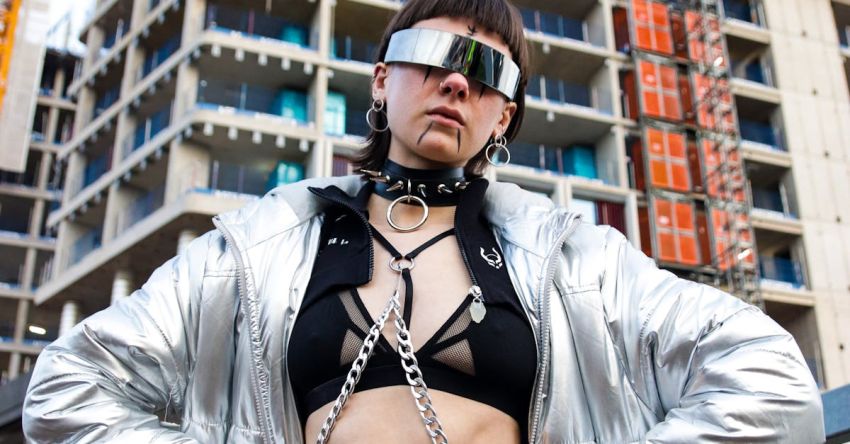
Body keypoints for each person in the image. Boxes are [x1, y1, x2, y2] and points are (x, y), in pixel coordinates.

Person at [23, 0, 824, 442]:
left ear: (504, 116)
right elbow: (69, 388)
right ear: (381, 78)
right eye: (435, 53)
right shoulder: (258, 247)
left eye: (489, 74)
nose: (457, 82)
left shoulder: (577, 261)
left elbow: (770, 380)